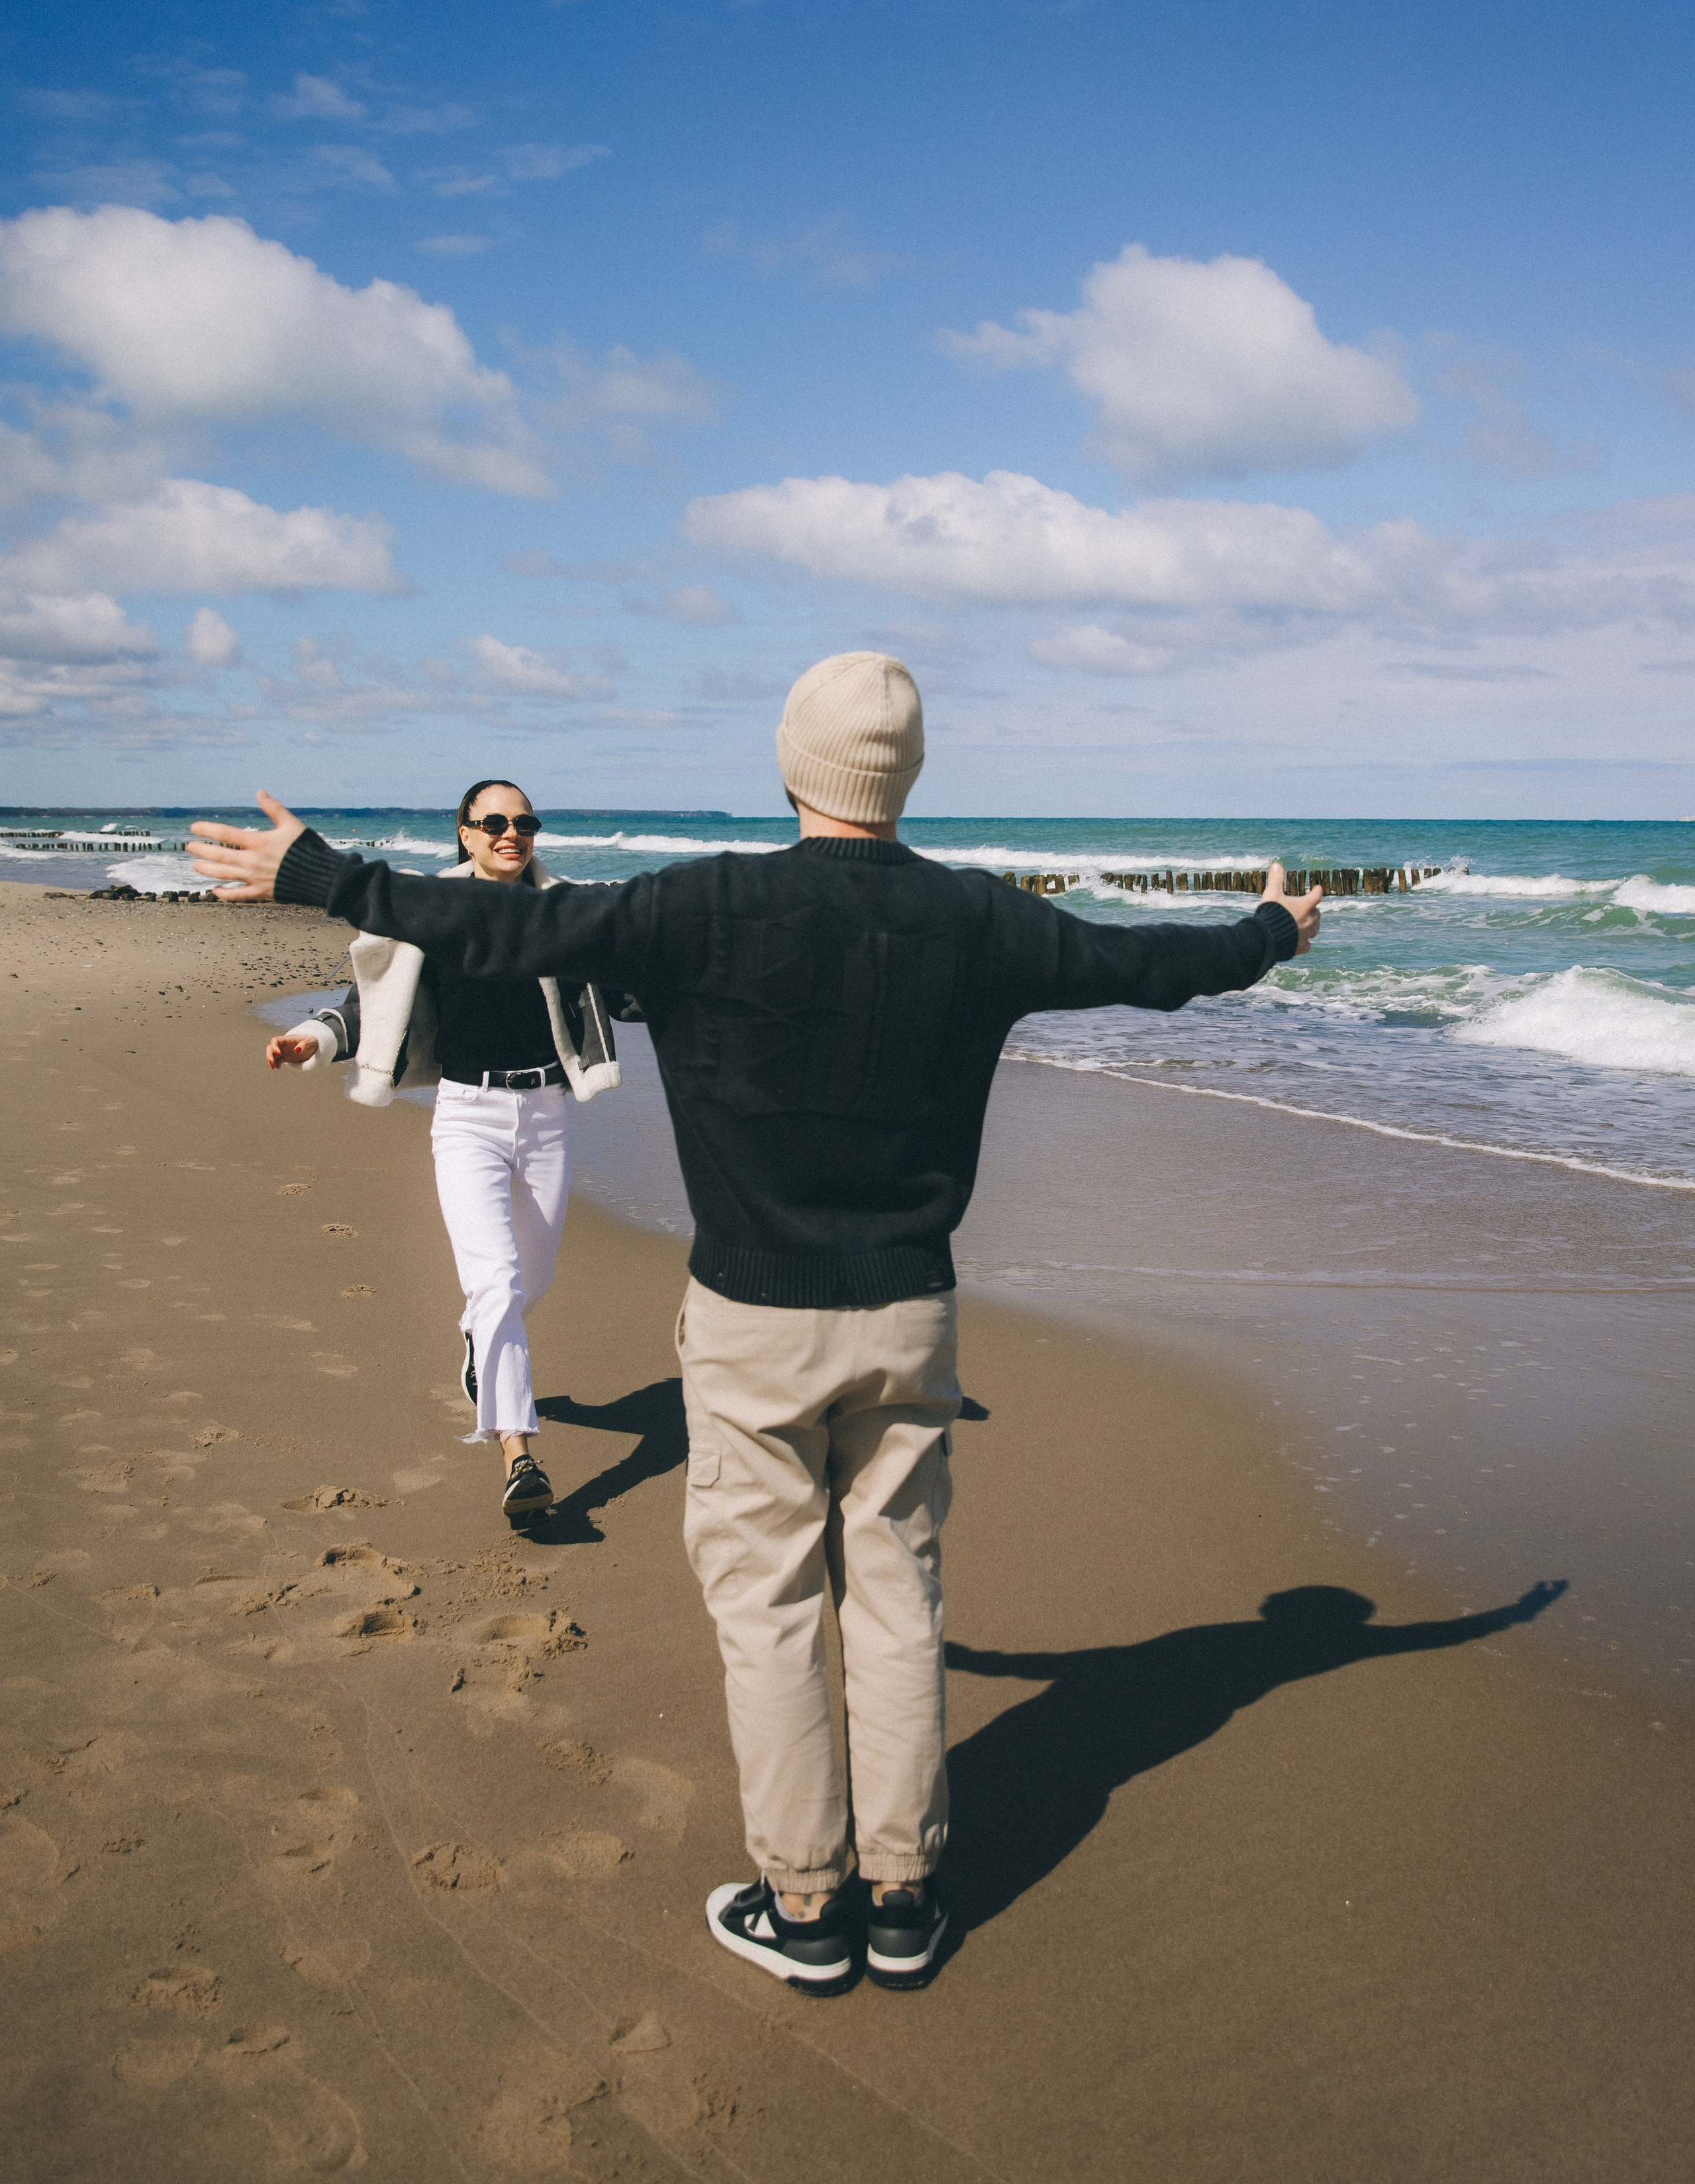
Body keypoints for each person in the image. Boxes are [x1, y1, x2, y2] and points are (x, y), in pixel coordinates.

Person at [190, 653, 1321, 1992]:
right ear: (905, 774)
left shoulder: (704, 902)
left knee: (773, 1605)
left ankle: (805, 1908)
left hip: (751, 1320)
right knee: (895, 1595)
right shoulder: (982, 920)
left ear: (792, 765)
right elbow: (1151, 964)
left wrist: (323, 872)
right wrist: (1274, 931)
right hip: (910, 1315)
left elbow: (503, 931)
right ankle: (904, 1901)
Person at [262, 779, 623, 1527]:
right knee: (496, 1281)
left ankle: (477, 1339)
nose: (510, 833)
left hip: (549, 1112)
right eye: (493, 822)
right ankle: (518, 1454)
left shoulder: (562, 910)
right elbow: (376, 999)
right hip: (467, 1116)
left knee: (530, 1279)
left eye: (524, 822)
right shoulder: (434, 910)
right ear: (464, 833)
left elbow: (627, 983)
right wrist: (317, 1037)